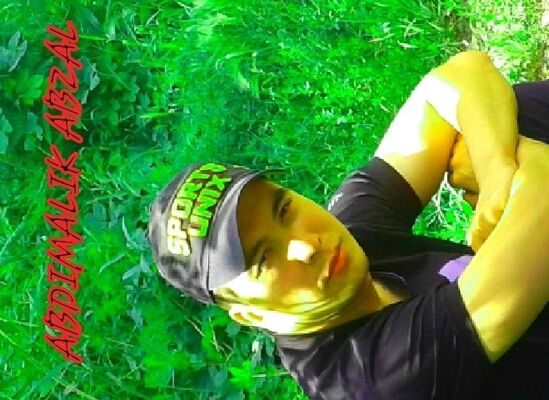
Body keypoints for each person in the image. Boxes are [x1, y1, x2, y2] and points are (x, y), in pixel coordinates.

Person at [147, 51, 549, 399]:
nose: (305, 244)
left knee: (507, 117)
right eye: (264, 259)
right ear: (249, 316)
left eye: (283, 210)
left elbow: (460, 75)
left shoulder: (341, 248)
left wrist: (495, 171)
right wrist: (517, 169)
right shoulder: (372, 376)